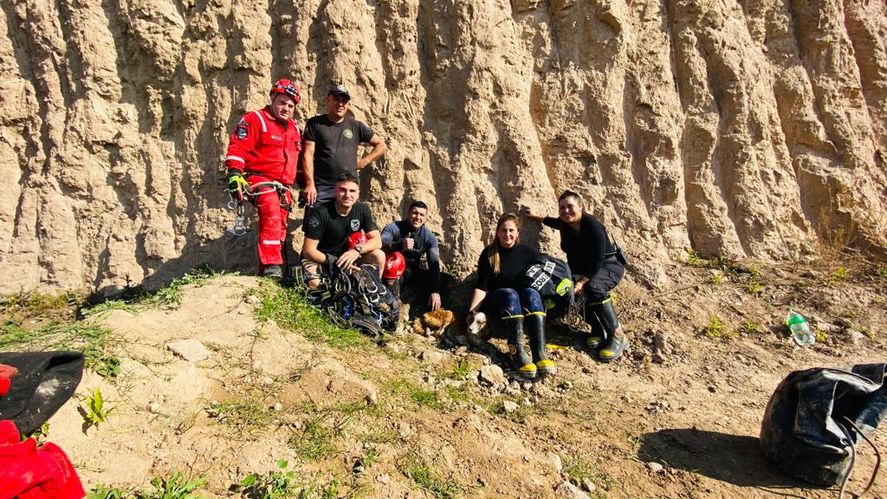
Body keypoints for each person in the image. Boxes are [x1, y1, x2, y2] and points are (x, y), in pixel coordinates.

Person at [521, 191, 628, 362]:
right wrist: (535, 216)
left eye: (570, 206)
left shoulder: (591, 224)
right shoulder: (566, 224)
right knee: (568, 289)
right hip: (585, 269)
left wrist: (582, 281)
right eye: (562, 208)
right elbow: (554, 222)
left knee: (593, 288)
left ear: (580, 207)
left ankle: (618, 335)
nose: (566, 211)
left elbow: (598, 258)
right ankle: (598, 330)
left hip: (608, 265)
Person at [224, 78, 303, 278]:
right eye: (282, 103)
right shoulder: (254, 119)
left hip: (283, 187)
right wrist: (234, 174)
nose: (286, 108)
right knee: (271, 209)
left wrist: (304, 186)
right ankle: (272, 266)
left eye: (290, 106)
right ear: (272, 98)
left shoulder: (294, 129)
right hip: (259, 179)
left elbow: (298, 162)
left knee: (280, 226)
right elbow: (238, 147)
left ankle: (268, 274)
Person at [467, 214, 556, 379]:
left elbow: (542, 278)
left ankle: (539, 352)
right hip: (498, 303)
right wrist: (471, 314)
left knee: (531, 292)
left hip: (523, 306)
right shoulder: (489, 254)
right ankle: (516, 351)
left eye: (511, 230)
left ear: (517, 233)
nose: (507, 234)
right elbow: (481, 286)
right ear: (497, 232)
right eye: (503, 230)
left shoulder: (529, 253)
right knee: (510, 293)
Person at [300, 84, 388, 205]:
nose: (340, 104)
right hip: (322, 188)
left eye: (344, 101)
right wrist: (310, 184)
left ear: (349, 104)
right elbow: (307, 155)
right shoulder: (315, 124)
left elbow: (381, 146)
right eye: (336, 99)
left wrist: (364, 162)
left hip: (348, 188)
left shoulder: (356, 126)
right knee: (316, 216)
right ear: (328, 100)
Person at [300, 173, 385, 288]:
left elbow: (377, 241)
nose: (347, 195)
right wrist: (336, 263)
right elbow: (308, 251)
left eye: (352, 191)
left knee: (378, 255)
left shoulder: (362, 210)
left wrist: (357, 250)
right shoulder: (320, 212)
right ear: (335, 191)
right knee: (315, 284)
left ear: (358, 193)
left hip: (348, 258)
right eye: (342, 190)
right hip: (322, 260)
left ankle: (373, 292)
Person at [380, 201, 443, 311]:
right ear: (408, 213)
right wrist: (399, 245)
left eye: (422, 215)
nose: (418, 217)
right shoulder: (393, 228)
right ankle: (393, 305)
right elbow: (381, 244)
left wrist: (435, 291)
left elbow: (434, 264)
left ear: (425, 218)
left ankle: (426, 308)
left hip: (412, 273)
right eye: (415, 213)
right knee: (394, 264)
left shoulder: (429, 237)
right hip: (392, 272)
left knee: (448, 281)